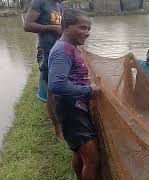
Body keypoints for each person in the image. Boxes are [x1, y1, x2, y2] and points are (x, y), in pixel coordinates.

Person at [48, 9, 99, 180]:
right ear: (67, 26)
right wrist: (89, 90)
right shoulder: (63, 50)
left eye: (88, 29)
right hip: (72, 111)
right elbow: (57, 84)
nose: (87, 33)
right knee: (92, 160)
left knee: (80, 152)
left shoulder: (69, 47)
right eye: (82, 28)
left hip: (74, 109)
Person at [24, 0, 62, 101]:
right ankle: (45, 98)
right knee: (45, 73)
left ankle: (52, 98)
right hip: (45, 48)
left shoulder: (58, 6)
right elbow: (27, 26)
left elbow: (60, 28)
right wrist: (54, 28)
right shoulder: (40, 2)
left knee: (55, 75)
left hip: (56, 48)